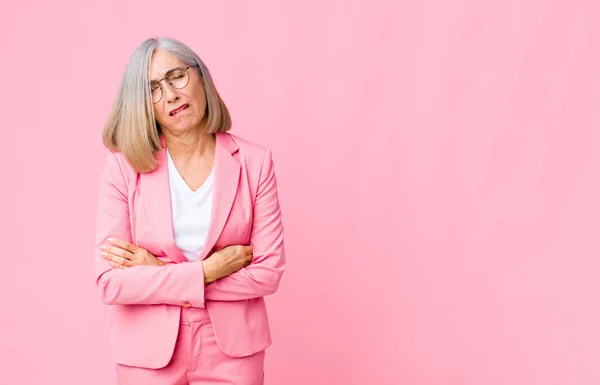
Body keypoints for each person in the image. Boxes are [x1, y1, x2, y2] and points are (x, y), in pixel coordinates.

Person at [94, 36, 285, 385]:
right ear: (141, 104)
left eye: (176, 76)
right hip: (147, 352)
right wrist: (206, 271)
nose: (170, 95)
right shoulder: (123, 168)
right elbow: (112, 283)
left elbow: (268, 273)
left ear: (200, 77)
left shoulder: (255, 162)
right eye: (152, 88)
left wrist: (158, 270)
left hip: (234, 351)